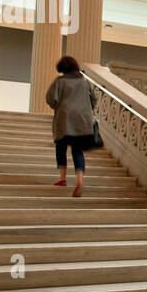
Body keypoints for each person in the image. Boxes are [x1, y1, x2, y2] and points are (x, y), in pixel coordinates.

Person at [45, 55, 98, 197]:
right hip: (82, 119)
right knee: (77, 150)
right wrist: (87, 109)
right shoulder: (84, 82)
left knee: (61, 147)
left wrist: (57, 106)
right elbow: (94, 98)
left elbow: (50, 98)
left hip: (64, 118)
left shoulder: (60, 81)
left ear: (62, 68)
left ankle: (63, 179)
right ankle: (79, 180)